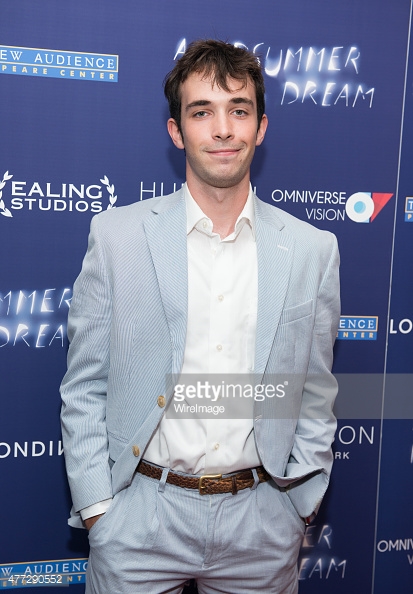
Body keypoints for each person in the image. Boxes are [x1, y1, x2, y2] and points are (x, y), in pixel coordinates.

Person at [60, 39, 340, 594]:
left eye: (239, 111)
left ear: (260, 127)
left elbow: (314, 390)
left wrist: (297, 506)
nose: (222, 129)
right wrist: (99, 509)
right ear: (176, 131)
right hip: (140, 518)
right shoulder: (117, 238)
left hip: (262, 523)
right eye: (202, 112)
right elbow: (85, 386)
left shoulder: (312, 250)